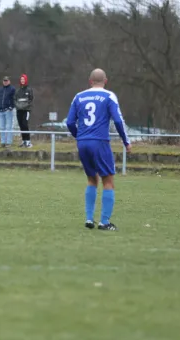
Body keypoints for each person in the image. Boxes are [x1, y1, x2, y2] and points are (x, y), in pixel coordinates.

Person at [66, 68, 131, 231]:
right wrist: (126, 141)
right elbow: (118, 120)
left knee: (91, 179)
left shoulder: (79, 96)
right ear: (106, 81)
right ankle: (104, 222)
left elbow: (69, 122)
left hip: (83, 142)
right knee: (108, 180)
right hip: (100, 142)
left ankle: (89, 218)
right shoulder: (109, 96)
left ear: (90, 81)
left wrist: (79, 136)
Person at [0, 76, 16, 148]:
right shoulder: (0, 89)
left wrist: (11, 107)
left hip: (8, 110)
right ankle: (3, 142)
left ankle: (9, 143)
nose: (5, 82)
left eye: (6, 81)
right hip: (0, 110)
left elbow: (14, 99)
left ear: (9, 81)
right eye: (4, 81)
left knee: (9, 127)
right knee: (2, 127)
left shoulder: (12, 89)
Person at [15, 74, 34, 148]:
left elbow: (30, 99)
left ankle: (28, 141)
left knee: (25, 124)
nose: (22, 80)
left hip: (26, 110)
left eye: (23, 79)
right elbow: (15, 99)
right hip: (19, 110)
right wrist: (18, 106)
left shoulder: (29, 89)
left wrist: (25, 106)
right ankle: (23, 141)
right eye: (21, 79)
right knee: (21, 125)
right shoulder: (18, 90)